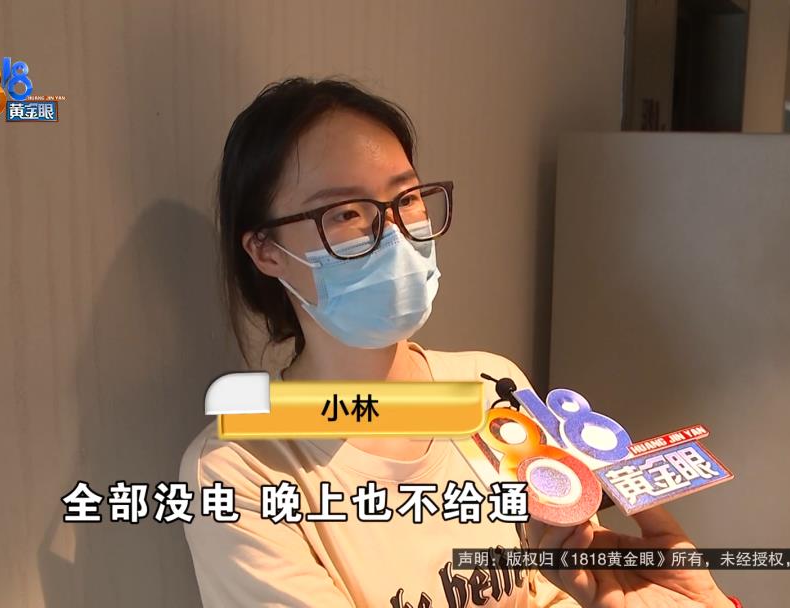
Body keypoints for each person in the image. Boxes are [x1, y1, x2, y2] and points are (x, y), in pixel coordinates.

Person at [179, 76, 739, 607]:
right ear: (266, 251)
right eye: (345, 212)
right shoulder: (240, 470)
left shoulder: (492, 387)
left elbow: (553, 585)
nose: (394, 234)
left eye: (407, 199)